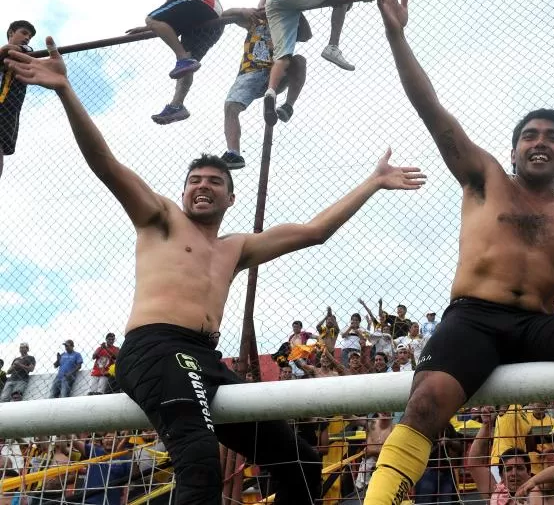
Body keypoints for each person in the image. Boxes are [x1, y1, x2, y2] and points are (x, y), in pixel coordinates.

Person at [4, 37, 426, 505]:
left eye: (215, 182)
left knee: (301, 460)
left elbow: (313, 232)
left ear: (230, 198)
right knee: (199, 460)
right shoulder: (159, 218)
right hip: (157, 349)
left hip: (204, 359)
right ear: (183, 192)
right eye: (195, 181)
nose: (203, 187)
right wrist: (65, 90)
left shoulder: (235, 247)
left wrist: (371, 182)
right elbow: (105, 163)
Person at [363, 0, 554, 505]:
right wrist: (396, 36)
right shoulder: (486, 178)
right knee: (425, 404)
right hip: (474, 317)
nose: (539, 143)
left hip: (539, 327)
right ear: (515, 148)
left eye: (552, 138)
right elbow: (434, 113)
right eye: (530, 136)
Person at [259, 0, 375, 125]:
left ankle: (270, 94)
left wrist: (260, 4)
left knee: (283, 54)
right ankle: (332, 47)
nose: (341, 11)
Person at [127, 0, 224, 125]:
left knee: (152, 18)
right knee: (188, 63)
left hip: (201, 5)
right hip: (211, 21)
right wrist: (153, 28)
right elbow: (173, 19)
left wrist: (154, 22)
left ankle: (182, 58)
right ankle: (177, 105)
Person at [220, 7, 309, 169]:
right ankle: (233, 153)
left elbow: (306, 35)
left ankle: (288, 106)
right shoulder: (256, 20)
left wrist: (296, 9)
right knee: (231, 106)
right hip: (251, 71)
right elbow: (224, 15)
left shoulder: (287, 23)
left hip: (278, 73)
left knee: (299, 60)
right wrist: (242, 10)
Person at [0, 20, 36, 181]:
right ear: (11, 33)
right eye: (24, 33)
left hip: (6, 108)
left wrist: (5, 51)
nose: (27, 38)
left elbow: (9, 50)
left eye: (29, 36)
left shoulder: (26, 51)